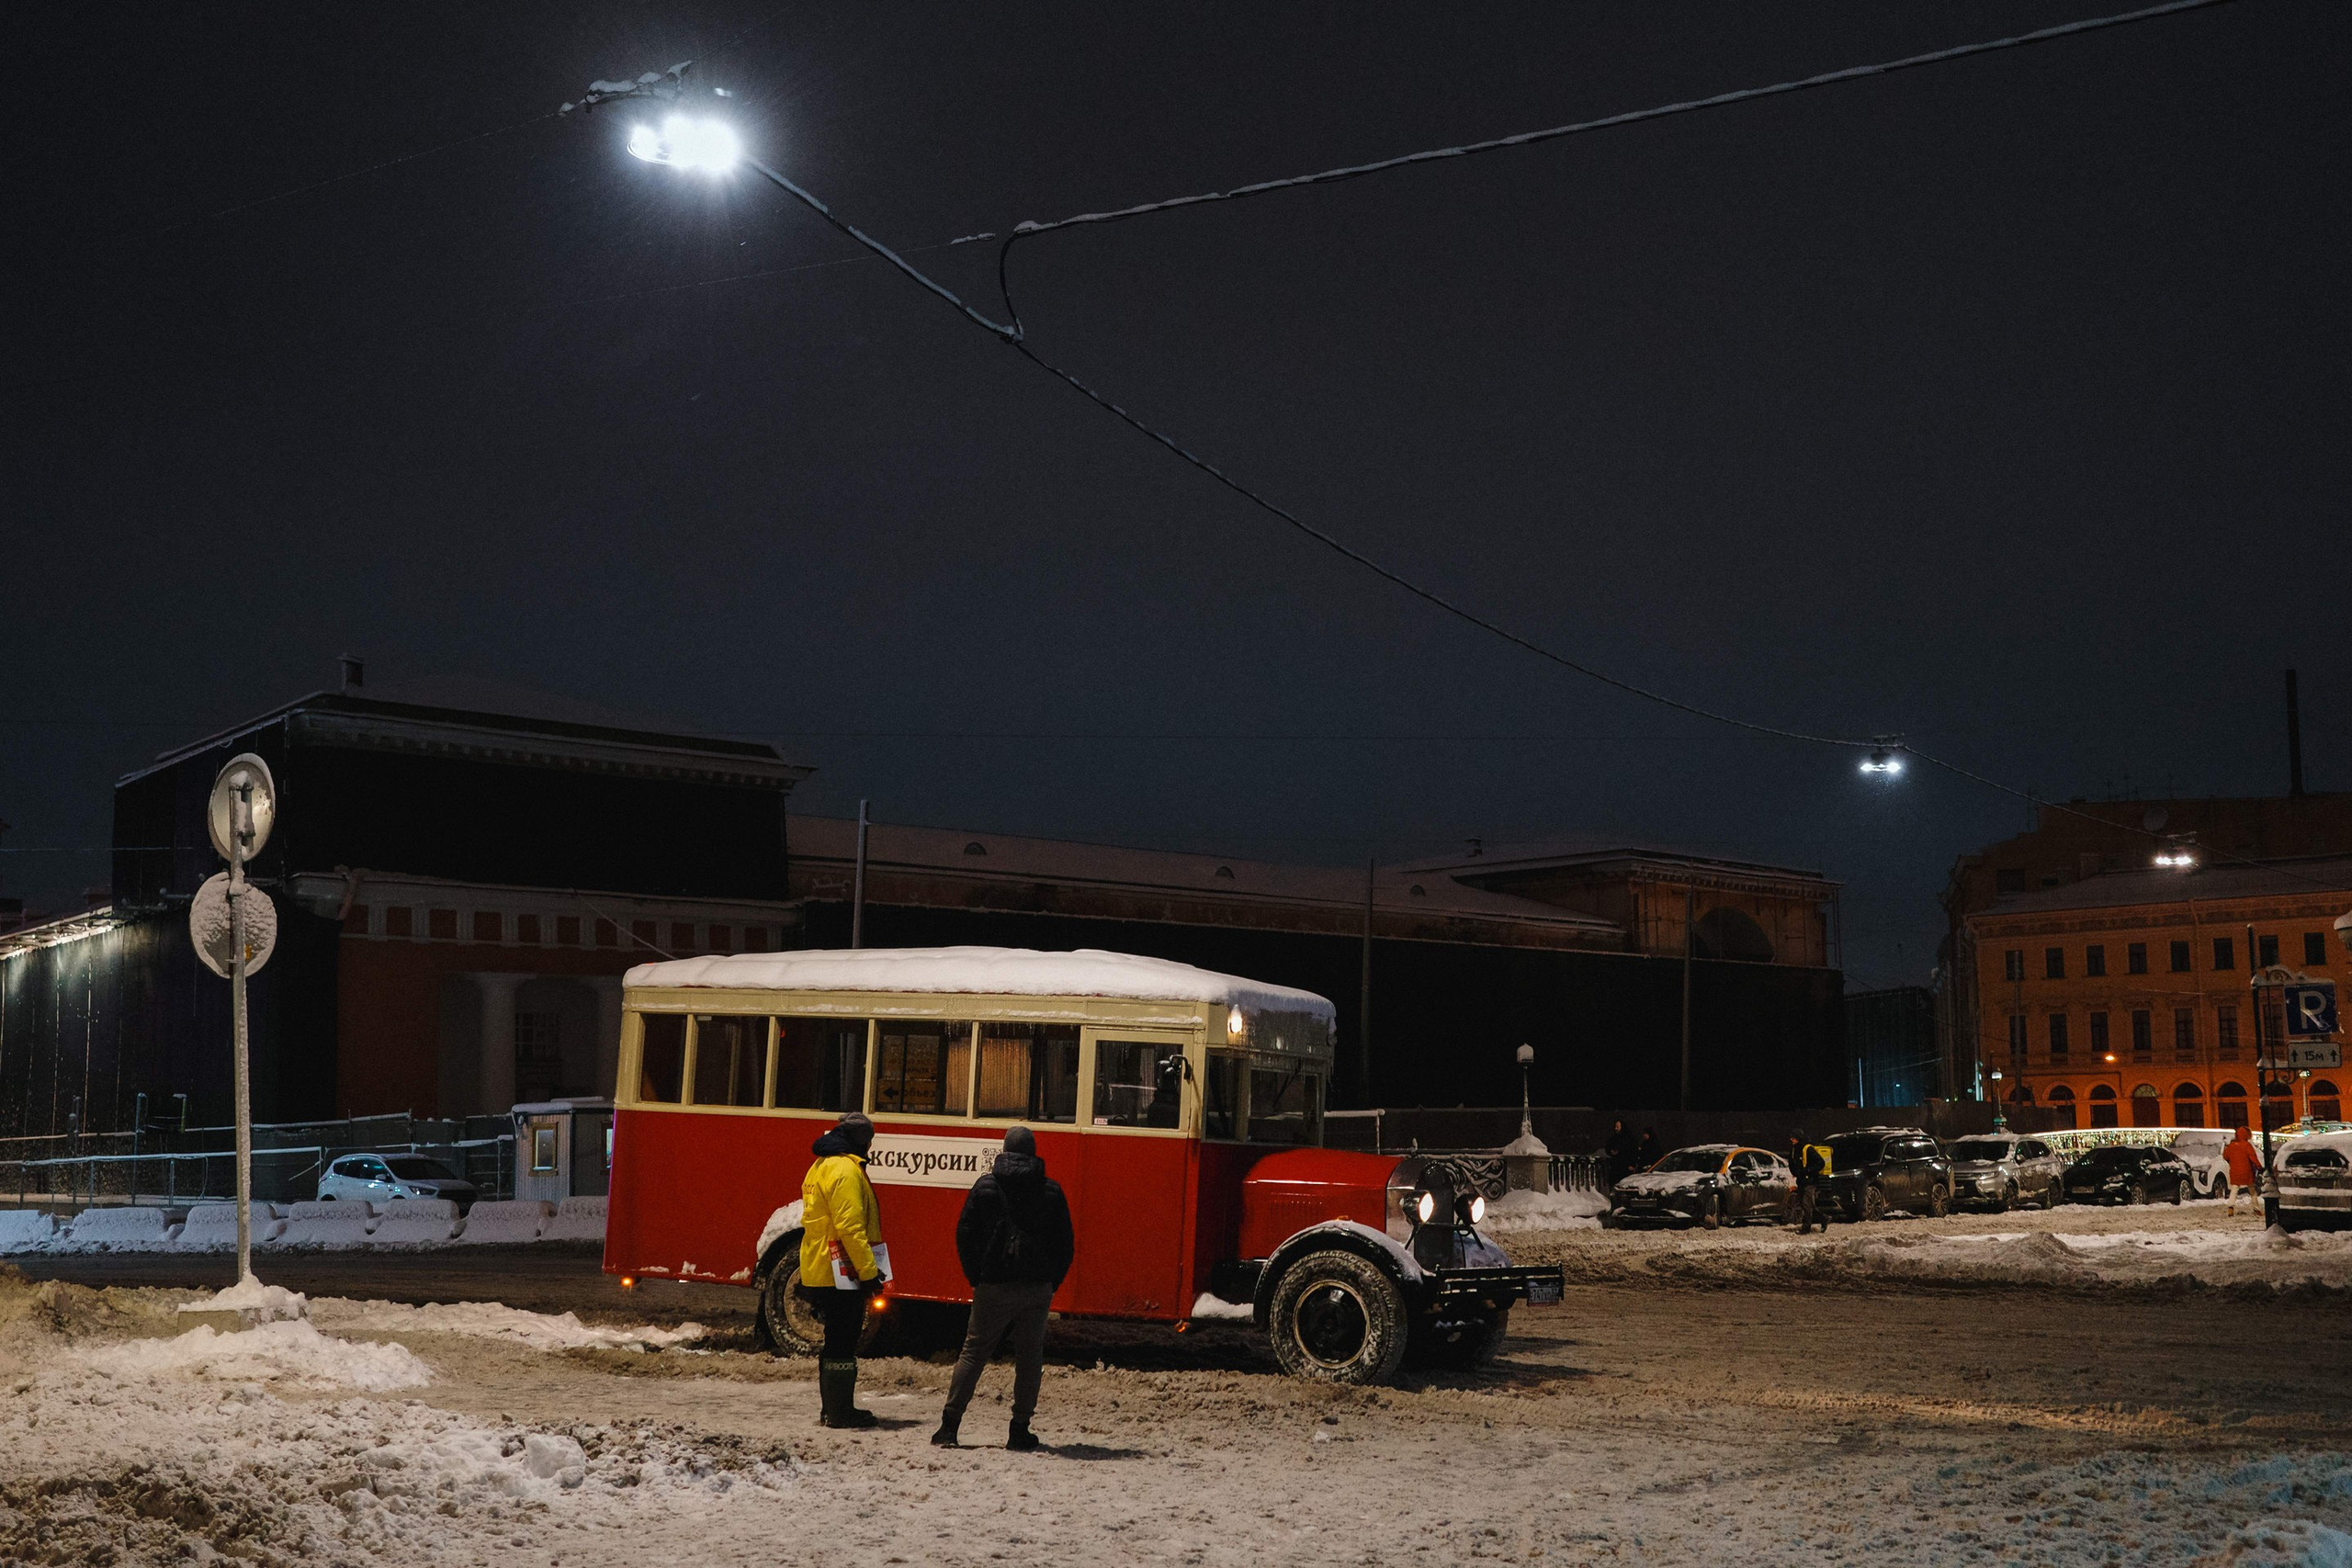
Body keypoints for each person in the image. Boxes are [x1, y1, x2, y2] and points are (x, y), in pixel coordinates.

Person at [933, 1125, 1075, 1451]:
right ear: (1033, 1151)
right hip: (1036, 1288)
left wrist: (977, 1276)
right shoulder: (1051, 1191)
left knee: (973, 1353)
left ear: (1004, 1149)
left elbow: (964, 1234)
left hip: (992, 1285)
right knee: (1029, 1358)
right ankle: (1019, 1429)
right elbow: (1065, 1245)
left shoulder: (986, 1186)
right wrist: (1051, 1282)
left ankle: (949, 1427)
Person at [801, 1111, 887, 1429]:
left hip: (819, 1264)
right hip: (839, 1272)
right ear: (862, 1141)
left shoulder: (821, 1165)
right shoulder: (845, 1171)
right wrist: (868, 1273)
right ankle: (840, 1411)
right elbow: (850, 1227)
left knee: (835, 1338)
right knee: (842, 1339)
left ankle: (832, 1408)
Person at [2223, 1125, 2260, 1215]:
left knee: (2234, 1189)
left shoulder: (2231, 1146)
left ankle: (2230, 1208)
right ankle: (2256, 1209)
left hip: (2235, 1171)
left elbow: (2225, 1156)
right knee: (2252, 1190)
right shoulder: (2247, 1145)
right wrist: (2259, 1166)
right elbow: (2253, 1157)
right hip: (2247, 1171)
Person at [1603, 1120, 1633, 1185]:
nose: (1616, 1129)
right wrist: (1611, 1151)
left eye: (1617, 1127)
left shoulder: (1629, 1138)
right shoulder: (1614, 1137)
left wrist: (1632, 1164)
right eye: (1615, 1127)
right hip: (1616, 1165)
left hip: (1626, 1166)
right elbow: (1608, 1147)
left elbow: (1633, 1151)